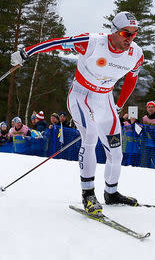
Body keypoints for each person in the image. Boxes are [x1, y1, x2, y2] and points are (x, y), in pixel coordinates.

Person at [11, 11, 143, 214]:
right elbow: (58, 43)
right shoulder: (92, 42)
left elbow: (132, 79)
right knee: (90, 136)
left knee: (116, 152)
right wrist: (26, 52)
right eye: (127, 34)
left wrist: (119, 104)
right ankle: (88, 194)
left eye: (135, 34)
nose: (131, 39)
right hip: (82, 95)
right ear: (114, 31)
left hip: (105, 100)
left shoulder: (136, 54)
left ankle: (111, 192)